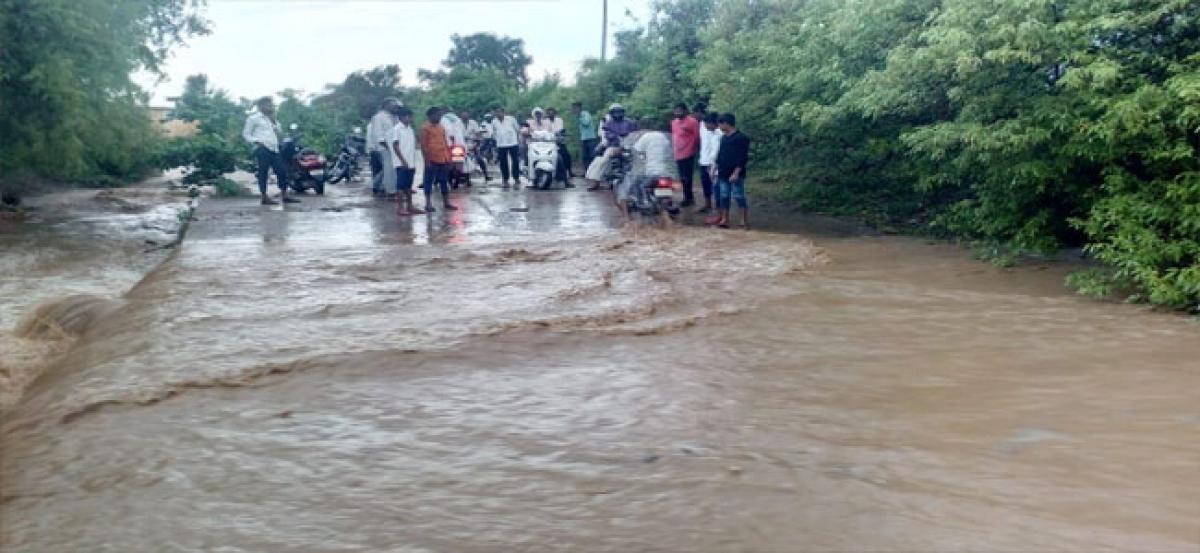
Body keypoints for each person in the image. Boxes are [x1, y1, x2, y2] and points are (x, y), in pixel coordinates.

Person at [242, 96, 297, 205]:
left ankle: (284, 194)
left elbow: (279, 131)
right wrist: (257, 142)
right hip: (262, 148)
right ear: (261, 106)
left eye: (271, 105)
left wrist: (273, 121)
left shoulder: (272, 119)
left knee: (282, 171)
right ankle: (264, 196)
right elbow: (246, 134)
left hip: (274, 148)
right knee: (263, 172)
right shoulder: (253, 118)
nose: (270, 107)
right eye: (268, 105)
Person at [620, 117, 676, 223]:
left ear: (642, 127)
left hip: (651, 172)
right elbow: (669, 152)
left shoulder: (645, 137)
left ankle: (644, 203)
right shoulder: (663, 136)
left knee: (638, 185)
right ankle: (667, 207)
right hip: (666, 172)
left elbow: (636, 152)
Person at [710, 113, 750, 229]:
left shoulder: (741, 138)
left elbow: (743, 157)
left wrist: (736, 172)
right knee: (724, 195)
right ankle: (724, 219)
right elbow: (720, 154)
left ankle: (743, 220)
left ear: (726, 123)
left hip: (736, 172)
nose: (719, 127)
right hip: (723, 171)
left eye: (720, 124)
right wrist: (714, 167)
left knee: (738, 195)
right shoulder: (723, 138)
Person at [585, 104, 637, 191]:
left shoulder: (629, 122)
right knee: (603, 160)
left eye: (619, 112)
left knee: (638, 160)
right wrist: (615, 136)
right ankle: (595, 183)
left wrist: (629, 136)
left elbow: (635, 133)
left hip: (629, 146)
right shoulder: (608, 123)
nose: (617, 114)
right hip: (614, 146)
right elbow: (607, 133)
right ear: (611, 113)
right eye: (615, 112)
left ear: (623, 112)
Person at [419, 107, 458, 213]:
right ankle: (428, 204)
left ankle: (446, 202)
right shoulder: (425, 128)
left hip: (443, 158)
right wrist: (426, 161)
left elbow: (445, 143)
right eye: (437, 115)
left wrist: (449, 158)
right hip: (431, 159)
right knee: (428, 182)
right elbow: (423, 146)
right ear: (430, 116)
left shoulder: (441, 127)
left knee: (444, 181)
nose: (439, 117)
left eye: (440, 115)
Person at [389, 107, 422, 216]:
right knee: (400, 186)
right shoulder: (397, 129)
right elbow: (395, 145)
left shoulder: (410, 129)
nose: (411, 118)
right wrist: (402, 160)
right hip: (401, 162)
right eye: (409, 116)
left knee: (408, 185)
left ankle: (410, 206)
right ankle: (400, 208)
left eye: (411, 116)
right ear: (402, 117)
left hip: (410, 161)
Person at [366, 98, 402, 197]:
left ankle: (390, 188)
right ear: (386, 105)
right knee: (389, 170)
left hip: (394, 147)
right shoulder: (378, 117)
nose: (395, 107)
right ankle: (390, 192)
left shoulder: (395, 117)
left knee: (394, 170)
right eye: (393, 105)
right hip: (385, 148)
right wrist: (387, 146)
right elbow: (378, 135)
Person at [671, 102, 700, 207]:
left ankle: (689, 198)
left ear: (685, 111)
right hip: (677, 153)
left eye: (680, 110)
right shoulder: (674, 122)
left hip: (688, 152)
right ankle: (686, 196)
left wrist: (694, 149)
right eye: (676, 111)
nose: (677, 113)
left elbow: (697, 137)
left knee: (688, 177)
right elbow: (674, 136)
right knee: (682, 177)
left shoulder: (692, 122)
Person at [697, 112, 722, 214]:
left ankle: (719, 207)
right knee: (705, 184)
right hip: (703, 161)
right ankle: (708, 204)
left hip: (714, 163)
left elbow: (717, 151)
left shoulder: (720, 133)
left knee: (716, 186)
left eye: (708, 123)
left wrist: (714, 164)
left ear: (714, 123)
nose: (706, 125)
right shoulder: (703, 128)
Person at [491, 106, 522, 189]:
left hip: (513, 143)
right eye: (496, 112)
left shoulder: (511, 119)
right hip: (501, 144)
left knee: (515, 161)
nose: (498, 114)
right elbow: (494, 132)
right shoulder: (494, 122)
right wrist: (496, 141)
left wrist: (519, 140)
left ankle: (516, 178)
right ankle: (505, 179)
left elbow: (517, 129)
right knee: (503, 163)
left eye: (500, 112)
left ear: (503, 112)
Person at [440, 108, 469, 188]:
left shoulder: (442, 119)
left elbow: (450, 134)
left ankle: (450, 182)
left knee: (449, 165)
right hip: (459, 145)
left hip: (450, 145)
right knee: (459, 165)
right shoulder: (457, 119)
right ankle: (456, 183)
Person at [462, 109, 490, 183]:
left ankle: (486, 174)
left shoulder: (473, 123)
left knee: (479, 159)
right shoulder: (457, 123)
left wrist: (477, 142)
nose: (465, 116)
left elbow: (477, 133)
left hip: (472, 144)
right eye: (463, 114)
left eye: (466, 114)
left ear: (469, 115)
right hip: (460, 145)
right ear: (460, 115)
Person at [546, 107, 572, 183]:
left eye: (552, 112)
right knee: (557, 158)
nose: (551, 114)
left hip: (560, 141)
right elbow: (547, 132)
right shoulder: (546, 121)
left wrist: (558, 134)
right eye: (549, 113)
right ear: (547, 114)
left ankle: (569, 171)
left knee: (567, 156)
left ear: (555, 113)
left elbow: (561, 130)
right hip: (550, 143)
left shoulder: (559, 120)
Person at [573, 102, 598, 171]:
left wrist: (579, 117)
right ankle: (587, 172)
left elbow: (586, 123)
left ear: (580, 108)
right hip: (584, 139)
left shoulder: (585, 114)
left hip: (591, 139)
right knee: (585, 157)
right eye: (574, 108)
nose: (575, 110)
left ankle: (594, 171)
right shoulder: (579, 116)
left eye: (576, 108)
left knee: (592, 156)